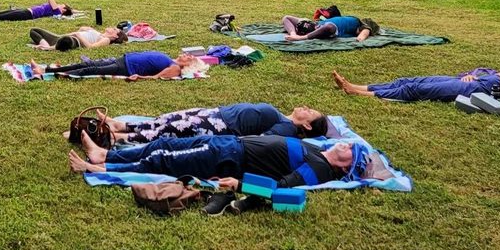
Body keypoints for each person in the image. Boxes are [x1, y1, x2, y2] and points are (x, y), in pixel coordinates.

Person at [68, 131, 360, 189]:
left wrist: (240, 184)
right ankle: (105, 153)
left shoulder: (320, 168)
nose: (346, 143)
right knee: (163, 143)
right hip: (228, 143)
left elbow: (284, 187)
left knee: (163, 159)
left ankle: (101, 167)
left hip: (229, 159)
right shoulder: (319, 148)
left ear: (345, 165)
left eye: (352, 151)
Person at [98, 103, 330, 144]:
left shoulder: (287, 128)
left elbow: (260, 142)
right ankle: (123, 126)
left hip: (220, 127)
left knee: (170, 131)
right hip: (218, 114)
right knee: (169, 119)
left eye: (309, 113)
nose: (305, 108)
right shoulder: (284, 118)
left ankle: (122, 138)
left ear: (307, 126)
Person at [333, 68, 500, 103]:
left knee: (415, 91)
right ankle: (357, 86)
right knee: (408, 81)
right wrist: (470, 74)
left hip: (470, 92)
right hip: (463, 81)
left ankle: (359, 94)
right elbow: (482, 71)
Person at [30, 51, 205, 81]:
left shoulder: (174, 68)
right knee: (86, 63)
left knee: (89, 70)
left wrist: (140, 78)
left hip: (126, 69)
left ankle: (45, 73)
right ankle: (46, 69)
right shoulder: (172, 60)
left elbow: (157, 78)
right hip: (123, 60)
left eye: (189, 57)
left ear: (189, 65)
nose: (186, 55)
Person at [282, 13, 380, 42]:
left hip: (328, 27)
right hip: (317, 24)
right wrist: (293, 34)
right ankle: (295, 33)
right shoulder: (357, 22)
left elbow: (362, 36)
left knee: (328, 27)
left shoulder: (364, 27)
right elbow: (286, 18)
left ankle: (300, 35)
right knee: (287, 18)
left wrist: (300, 38)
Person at [30, 25, 127, 51]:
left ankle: (49, 48)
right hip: (60, 37)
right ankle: (45, 46)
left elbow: (91, 47)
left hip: (74, 41)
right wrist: (85, 29)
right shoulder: (99, 33)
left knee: (66, 41)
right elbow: (82, 29)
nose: (111, 27)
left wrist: (78, 35)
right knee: (34, 31)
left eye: (114, 29)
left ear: (115, 36)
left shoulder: (106, 40)